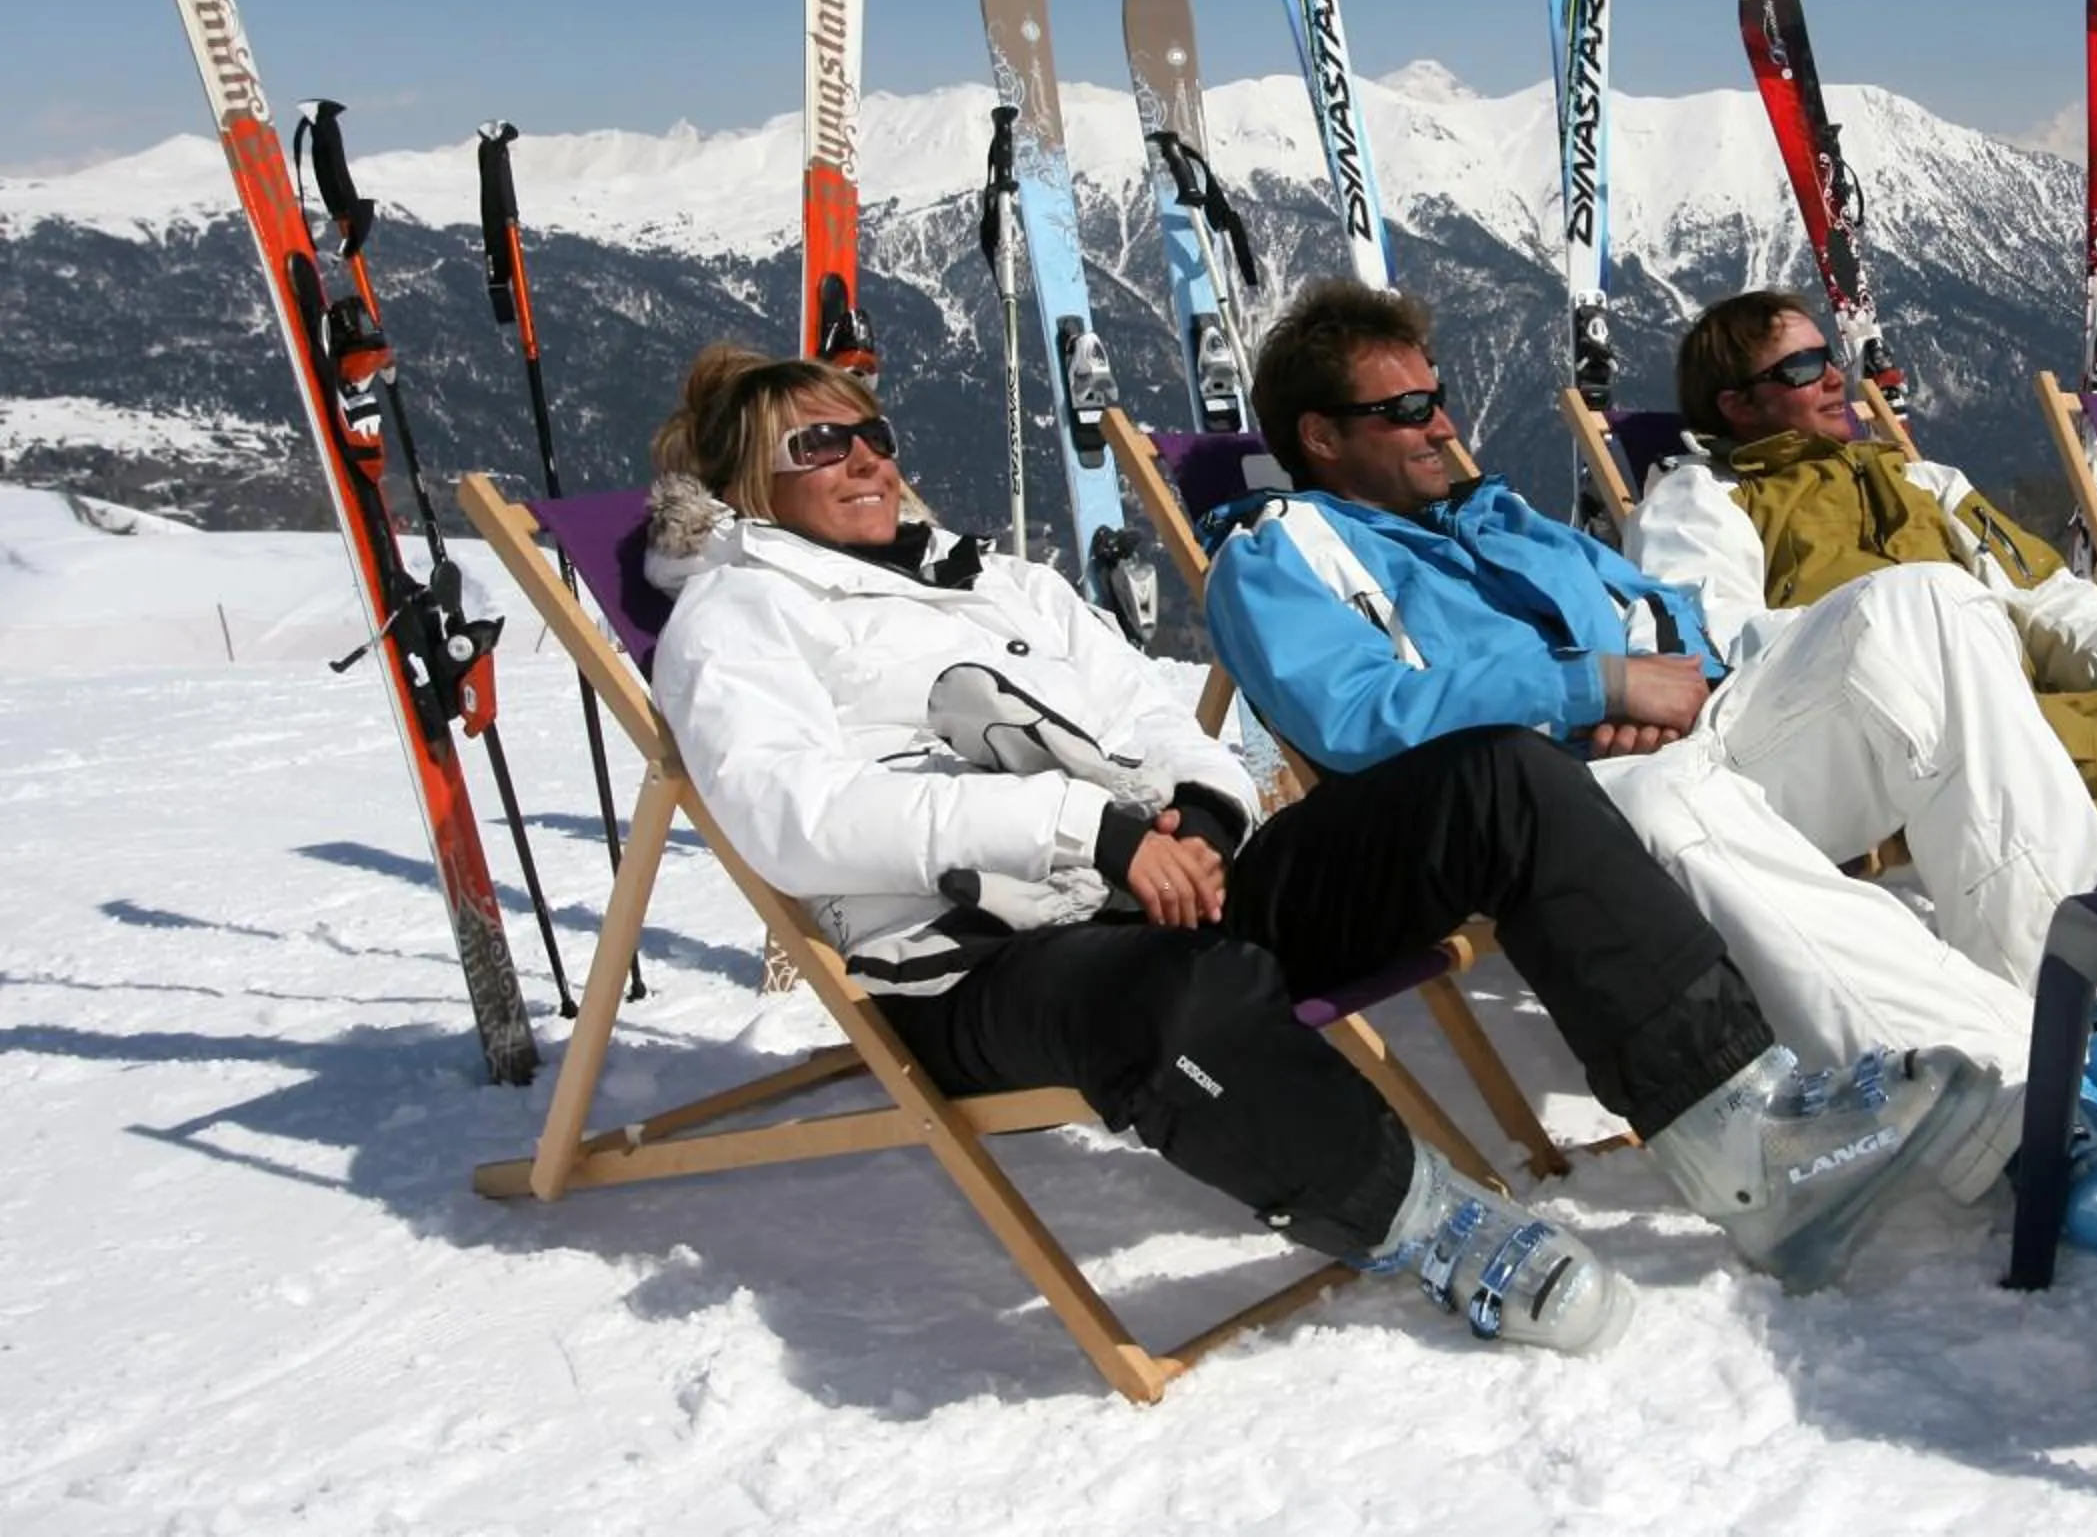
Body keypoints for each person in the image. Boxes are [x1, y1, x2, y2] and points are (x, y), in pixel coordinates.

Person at [641, 346, 2004, 1354]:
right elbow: (792, 816)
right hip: (990, 963)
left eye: (871, 430)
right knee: (1178, 996)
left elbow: (1148, 715)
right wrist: (1090, 830)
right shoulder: (739, 614)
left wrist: (1199, 812)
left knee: (1505, 775)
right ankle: (1432, 1225)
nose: (870, 456)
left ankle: (1741, 1131)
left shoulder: (995, 577)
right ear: (744, 482)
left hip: (1161, 870)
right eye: (821, 444)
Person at [1203, 280, 2097, 1243]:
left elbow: (1671, 612)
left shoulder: (1500, 520)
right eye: (1408, 409)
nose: (1444, 424)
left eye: (1438, 394)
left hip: (1695, 730)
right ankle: (2024, 1106)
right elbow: (1357, 714)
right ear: (1322, 437)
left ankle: (2093, 1002)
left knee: (1929, 602)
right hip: (1546, 807)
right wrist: (1597, 688)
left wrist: (1674, 681)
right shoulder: (1279, 553)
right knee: (1662, 792)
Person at [1633, 290, 2097, 875]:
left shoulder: (1924, 478)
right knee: (2091, 776)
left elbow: (2039, 585)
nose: (1835, 377)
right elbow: (1707, 641)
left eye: (1829, 356)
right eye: (1799, 369)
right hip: (1911, 736)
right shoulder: (1705, 498)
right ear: (1736, 405)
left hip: (2043, 701)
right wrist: (1899, 629)